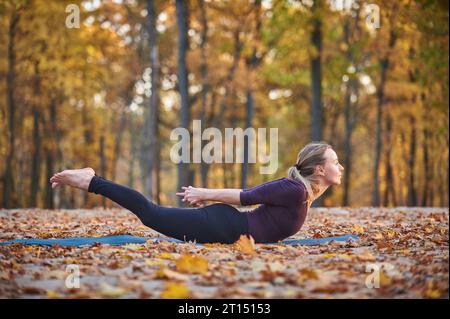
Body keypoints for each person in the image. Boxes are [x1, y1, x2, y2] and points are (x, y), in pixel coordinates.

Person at [49, 141, 344, 244]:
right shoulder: (293, 189)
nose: (340, 166)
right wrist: (205, 192)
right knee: (150, 213)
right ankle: (92, 180)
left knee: (152, 214)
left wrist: (208, 195)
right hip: (224, 226)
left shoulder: (300, 192)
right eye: (335, 162)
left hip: (227, 226)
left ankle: (92, 180)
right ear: (319, 169)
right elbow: (246, 195)